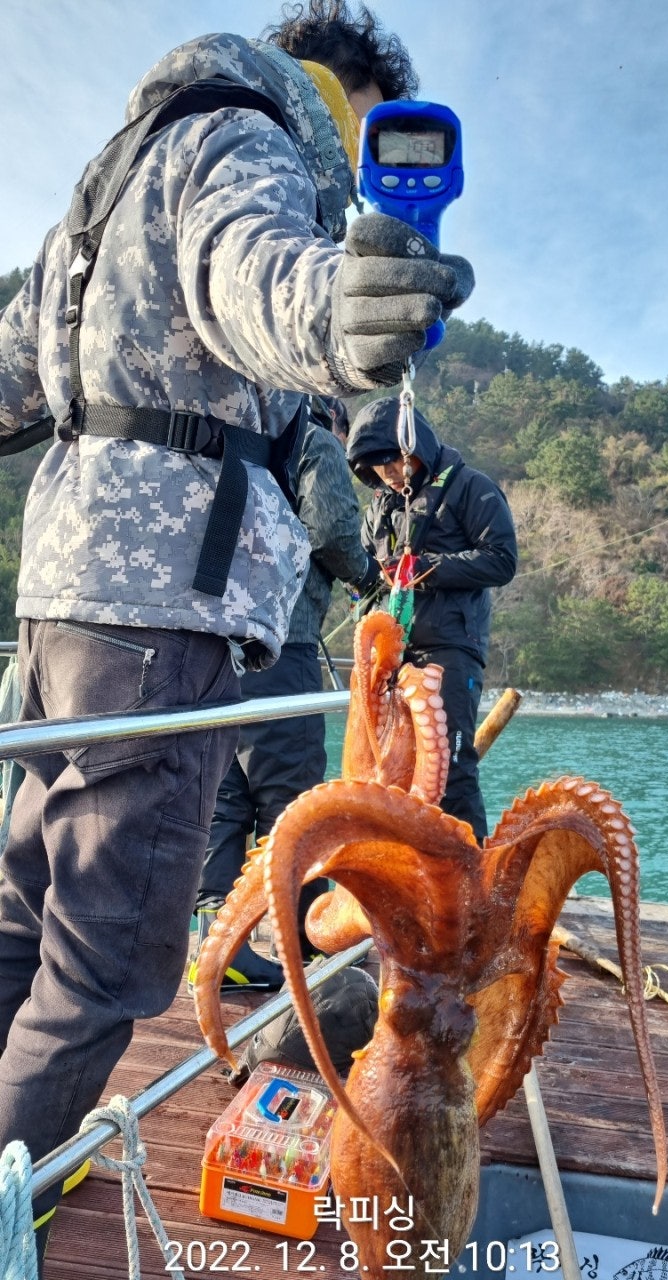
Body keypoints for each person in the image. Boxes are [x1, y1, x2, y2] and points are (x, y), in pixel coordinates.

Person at [0, 1, 474, 1259]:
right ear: (329, 93)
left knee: (21, 913)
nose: (356, 186)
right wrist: (339, 311)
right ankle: (5, 1193)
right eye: (362, 145)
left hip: (55, 606)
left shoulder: (102, 188)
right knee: (106, 961)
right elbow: (253, 268)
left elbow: (13, 372)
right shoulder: (252, 138)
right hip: (163, 616)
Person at [190, 396, 375, 992]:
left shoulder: (228, 435)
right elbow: (333, 529)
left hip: (213, 644)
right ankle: (308, 948)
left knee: (224, 797)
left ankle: (220, 948)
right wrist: (369, 577)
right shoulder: (312, 439)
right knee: (293, 800)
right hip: (279, 643)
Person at [346, 397, 517, 842]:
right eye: (375, 464)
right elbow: (363, 570)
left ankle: (472, 873)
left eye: (393, 459)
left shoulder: (471, 487)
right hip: (391, 655)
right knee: (391, 770)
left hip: (450, 648)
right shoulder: (379, 507)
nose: (387, 471)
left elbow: (502, 559)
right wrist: (362, 592)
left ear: (416, 446)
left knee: (453, 767)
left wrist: (427, 567)